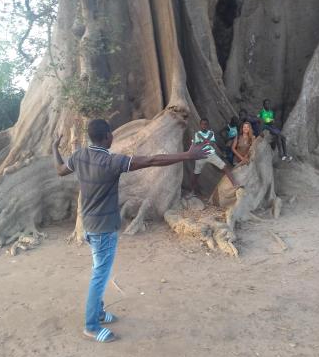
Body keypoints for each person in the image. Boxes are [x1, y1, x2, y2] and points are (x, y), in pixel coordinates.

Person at [52, 118, 208, 343]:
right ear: (106, 137)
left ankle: (98, 313)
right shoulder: (111, 161)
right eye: (111, 134)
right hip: (103, 229)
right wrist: (187, 155)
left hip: (89, 225)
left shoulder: (79, 157)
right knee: (99, 276)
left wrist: (55, 148)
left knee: (99, 269)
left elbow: (59, 170)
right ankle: (91, 326)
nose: (113, 137)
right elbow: (152, 160)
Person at [191, 117, 240, 195]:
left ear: (208, 125)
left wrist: (204, 141)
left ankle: (235, 184)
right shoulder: (197, 134)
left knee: (225, 167)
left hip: (211, 154)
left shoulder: (211, 133)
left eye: (206, 124)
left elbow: (212, 143)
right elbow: (198, 145)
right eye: (202, 124)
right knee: (196, 174)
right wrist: (206, 141)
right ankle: (192, 191)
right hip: (200, 155)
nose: (204, 125)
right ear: (200, 125)